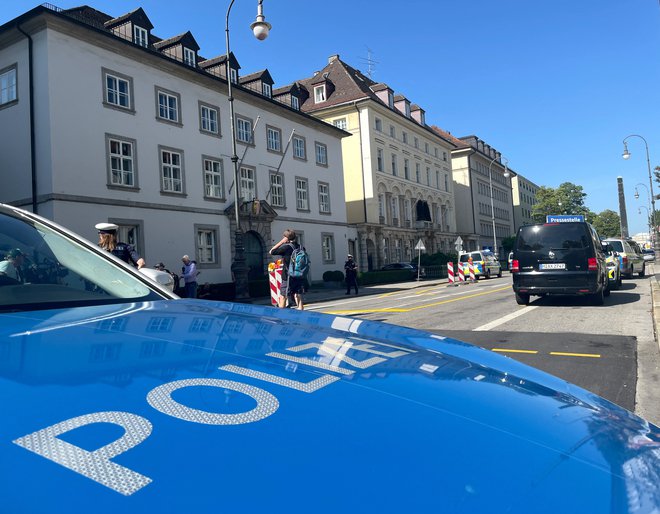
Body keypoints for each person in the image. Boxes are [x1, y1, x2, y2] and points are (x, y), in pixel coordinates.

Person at [269, 229, 305, 310]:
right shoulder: (301, 248)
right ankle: (301, 312)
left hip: (288, 275)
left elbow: (271, 251)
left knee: (283, 295)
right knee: (297, 294)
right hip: (299, 275)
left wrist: (281, 242)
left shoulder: (286, 248)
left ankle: (282, 315)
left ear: (286, 238)